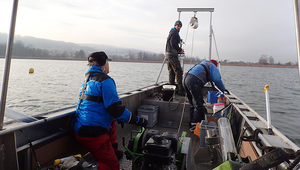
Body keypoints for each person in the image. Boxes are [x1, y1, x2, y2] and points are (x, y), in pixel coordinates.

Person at [73, 51, 148, 170]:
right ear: (104, 64)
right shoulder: (106, 81)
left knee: (113, 121)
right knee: (112, 167)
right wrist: (138, 120)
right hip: (93, 135)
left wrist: (119, 116)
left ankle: (113, 151)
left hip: (80, 129)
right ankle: (82, 167)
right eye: (108, 62)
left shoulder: (87, 80)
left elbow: (110, 110)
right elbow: (116, 109)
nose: (109, 65)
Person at [183, 59, 229, 129]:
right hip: (193, 81)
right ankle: (195, 126)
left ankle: (191, 123)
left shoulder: (201, 64)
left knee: (193, 103)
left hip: (185, 79)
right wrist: (223, 90)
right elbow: (217, 80)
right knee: (199, 105)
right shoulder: (212, 65)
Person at [165, 20, 185, 95]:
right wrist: (180, 50)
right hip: (172, 55)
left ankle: (171, 89)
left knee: (171, 73)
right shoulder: (174, 33)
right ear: (175, 26)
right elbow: (173, 43)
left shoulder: (171, 32)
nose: (179, 28)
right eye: (178, 26)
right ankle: (180, 90)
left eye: (180, 26)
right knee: (178, 71)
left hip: (168, 55)